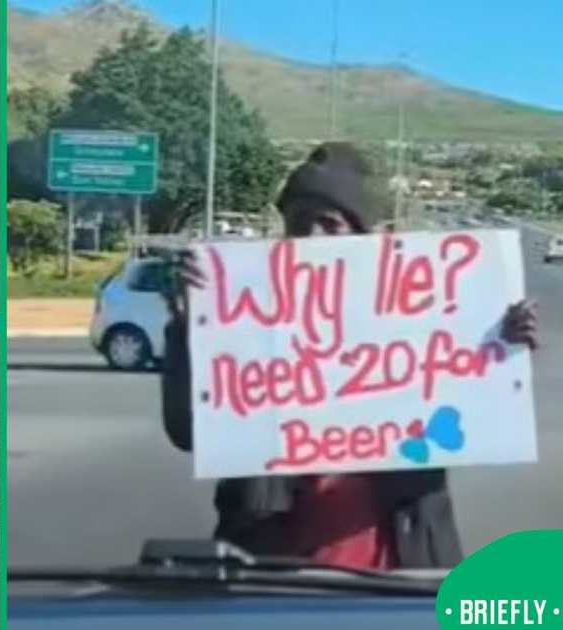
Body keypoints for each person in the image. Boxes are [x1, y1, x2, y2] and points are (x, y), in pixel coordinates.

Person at [160, 142, 538, 569]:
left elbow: (477, 420)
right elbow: (188, 431)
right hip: (270, 578)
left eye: (330, 224)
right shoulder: (247, 320)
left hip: (397, 576)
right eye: (300, 223)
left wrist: (499, 349)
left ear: (365, 239)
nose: (314, 239)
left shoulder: (419, 323)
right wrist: (190, 333)